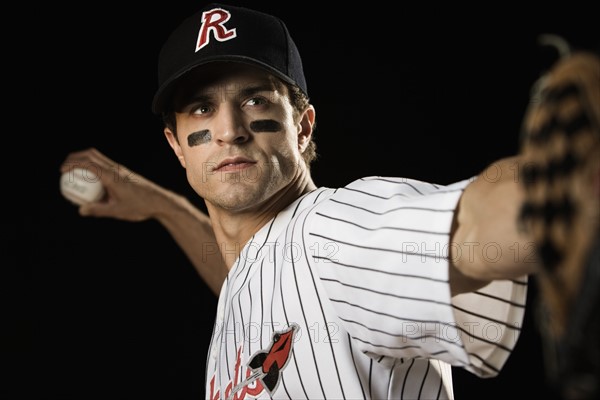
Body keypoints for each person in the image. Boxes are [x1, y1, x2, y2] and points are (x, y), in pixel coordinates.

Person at [60, 3, 543, 399]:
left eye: (256, 100)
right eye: (202, 107)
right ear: (176, 145)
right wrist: (161, 206)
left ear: (303, 125)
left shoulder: (330, 231)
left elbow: (476, 225)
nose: (229, 130)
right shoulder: (258, 274)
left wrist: (563, 177)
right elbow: (256, 279)